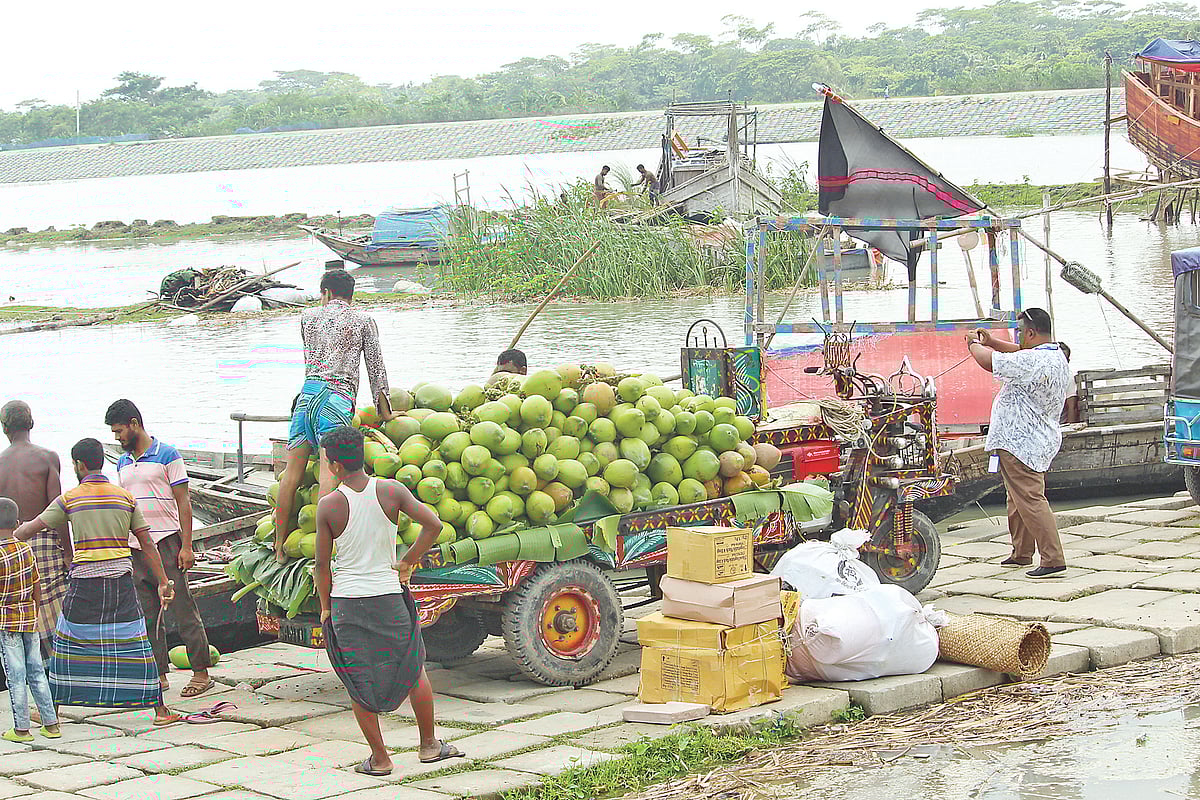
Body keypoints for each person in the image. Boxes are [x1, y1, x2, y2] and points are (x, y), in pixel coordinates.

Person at [314, 426, 463, 776]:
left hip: (348, 601)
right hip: (388, 595)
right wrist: (407, 561)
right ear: (363, 456)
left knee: (357, 677)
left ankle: (380, 758)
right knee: (412, 667)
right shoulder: (391, 490)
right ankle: (429, 746)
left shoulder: (329, 505)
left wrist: (325, 608)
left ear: (334, 466)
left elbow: (321, 565)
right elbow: (433, 525)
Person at [14, 439, 178, 724]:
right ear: (101, 462)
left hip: (85, 583)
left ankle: (50, 710)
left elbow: (30, 529)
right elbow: (147, 544)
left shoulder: (70, 499)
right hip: (120, 582)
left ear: (79, 464)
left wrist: (9, 536)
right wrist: (163, 581)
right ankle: (160, 710)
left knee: (67, 642)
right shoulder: (125, 498)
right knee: (135, 641)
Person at [277, 268, 394, 562]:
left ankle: (278, 546)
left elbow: (311, 359)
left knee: (290, 476)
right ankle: (324, 553)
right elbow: (376, 369)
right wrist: (385, 413)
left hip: (307, 398)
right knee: (328, 476)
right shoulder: (363, 320)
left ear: (326, 293)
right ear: (350, 295)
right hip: (336, 401)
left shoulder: (307, 318)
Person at [107, 399, 213, 698]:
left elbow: (184, 503)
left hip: (167, 541)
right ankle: (159, 675)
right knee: (148, 615)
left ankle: (201, 672)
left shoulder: (167, 454)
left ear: (134, 424)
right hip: (136, 546)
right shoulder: (123, 462)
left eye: (119, 431)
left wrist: (187, 546)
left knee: (183, 609)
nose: (117, 437)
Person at [966, 308, 1073, 578]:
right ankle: (1021, 552)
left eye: (1020, 332)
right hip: (1034, 440)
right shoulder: (1053, 354)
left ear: (1031, 332)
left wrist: (973, 344)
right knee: (1017, 498)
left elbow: (988, 362)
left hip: (1022, 442)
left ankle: (1053, 559)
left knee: (1030, 499)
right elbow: (1018, 353)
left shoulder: (1033, 360)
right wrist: (992, 341)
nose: (1018, 337)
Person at [0, 401, 69, 662]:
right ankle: (56, 665)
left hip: (9, 547)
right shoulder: (47, 457)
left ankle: (22, 667)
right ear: (31, 424)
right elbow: (57, 510)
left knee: (17, 608)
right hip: (44, 545)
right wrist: (68, 552)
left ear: (5, 428)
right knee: (52, 611)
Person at [0, 497, 60, 742]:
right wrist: (34, 611)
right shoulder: (26, 549)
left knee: (15, 676)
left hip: (6, 622)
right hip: (30, 619)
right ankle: (51, 724)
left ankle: (21, 730)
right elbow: (36, 583)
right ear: (16, 524)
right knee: (36, 671)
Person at [1058, 343, 1081, 424]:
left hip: (1060, 425)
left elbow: (1072, 406)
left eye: (1064, 360)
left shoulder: (1068, 376)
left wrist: (1069, 428)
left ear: (1068, 362)